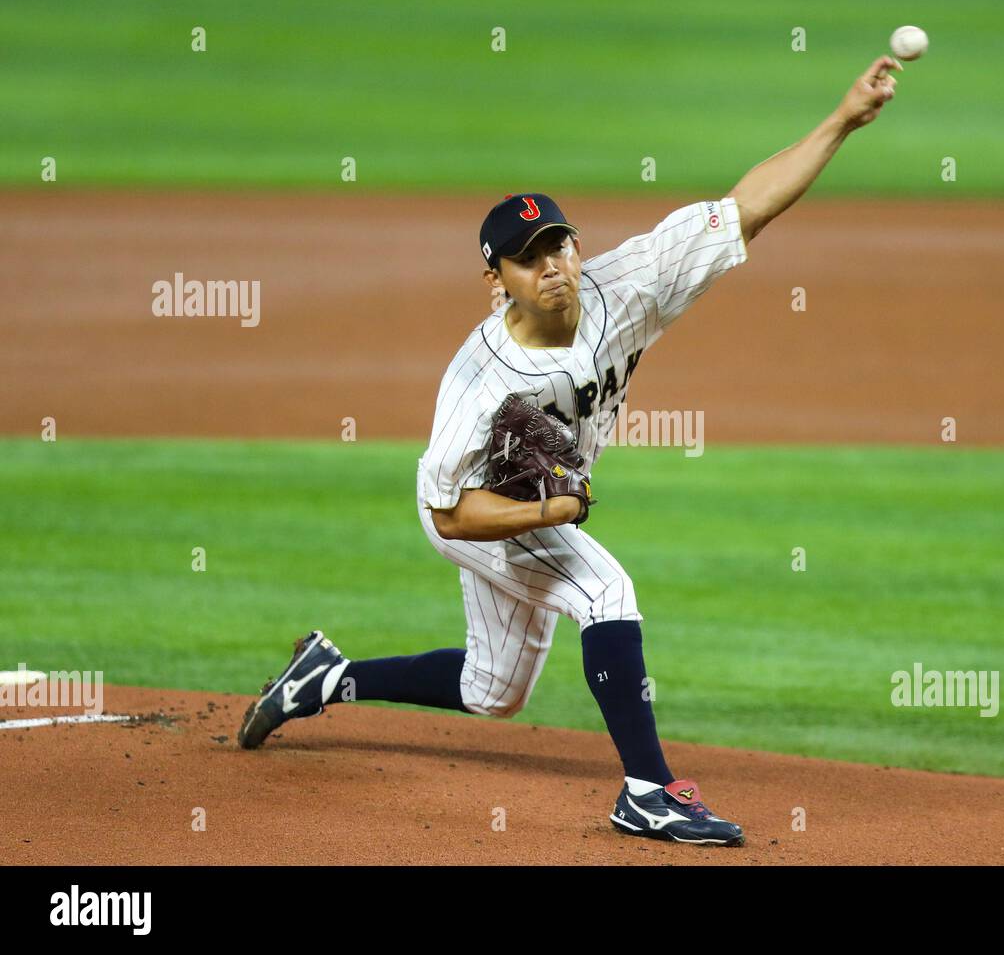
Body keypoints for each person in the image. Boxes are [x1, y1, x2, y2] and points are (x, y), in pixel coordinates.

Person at [238, 56, 900, 847]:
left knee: (494, 691)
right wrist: (553, 510)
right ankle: (648, 790)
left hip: (532, 506)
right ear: (498, 276)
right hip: (475, 507)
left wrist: (841, 121)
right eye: (531, 257)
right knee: (604, 590)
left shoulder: (630, 286)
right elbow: (448, 513)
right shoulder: (479, 379)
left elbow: (744, 209)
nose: (554, 266)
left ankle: (326, 678)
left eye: (561, 245)